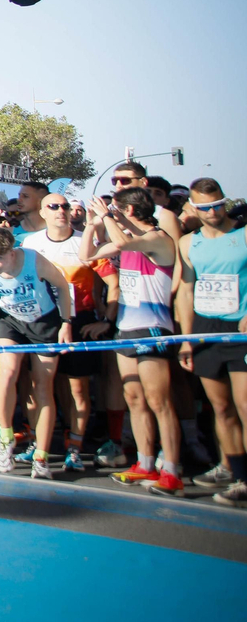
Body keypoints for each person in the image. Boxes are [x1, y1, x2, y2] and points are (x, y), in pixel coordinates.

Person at [85, 188, 185, 495]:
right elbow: (87, 256)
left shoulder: (157, 238)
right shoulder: (125, 239)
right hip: (126, 328)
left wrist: (106, 216)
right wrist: (91, 224)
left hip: (152, 327)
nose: (112, 215)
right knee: (135, 399)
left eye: (116, 210)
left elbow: (122, 242)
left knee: (159, 401)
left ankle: (172, 470)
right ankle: (145, 462)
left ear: (129, 211)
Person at [0, 227, 73, 479]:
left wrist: (66, 322)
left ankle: (41, 455)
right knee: (7, 373)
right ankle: (5, 436)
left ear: (12, 252)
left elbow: (62, 286)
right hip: (11, 322)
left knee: (43, 387)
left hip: (43, 321)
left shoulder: (34, 260)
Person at [176, 178, 247, 506]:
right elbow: (186, 291)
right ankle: (234, 471)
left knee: (244, 405)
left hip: (240, 329)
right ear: (193, 208)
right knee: (220, 407)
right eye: (204, 207)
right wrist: (187, 340)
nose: (213, 212)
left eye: (218, 205)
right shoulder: (188, 243)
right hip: (206, 327)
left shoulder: (243, 235)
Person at [23, 191, 106, 471]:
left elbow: (111, 281)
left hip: (79, 320)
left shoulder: (85, 241)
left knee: (77, 388)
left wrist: (106, 317)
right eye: (53, 206)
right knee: (40, 385)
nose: (61, 210)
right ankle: (38, 443)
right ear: (42, 212)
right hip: (43, 321)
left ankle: (75, 447)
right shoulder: (31, 243)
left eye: (65, 206)